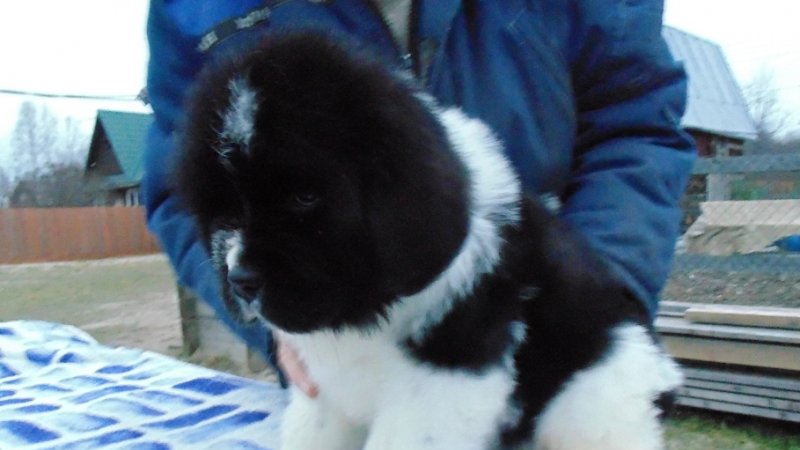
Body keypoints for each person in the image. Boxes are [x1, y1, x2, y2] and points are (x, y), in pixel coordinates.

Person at [143, 0, 696, 393]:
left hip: (547, 327)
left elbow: (634, 125)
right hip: (349, 361)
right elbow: (183, 187)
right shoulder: (195, 9)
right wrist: (276, 324)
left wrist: (597, 298)